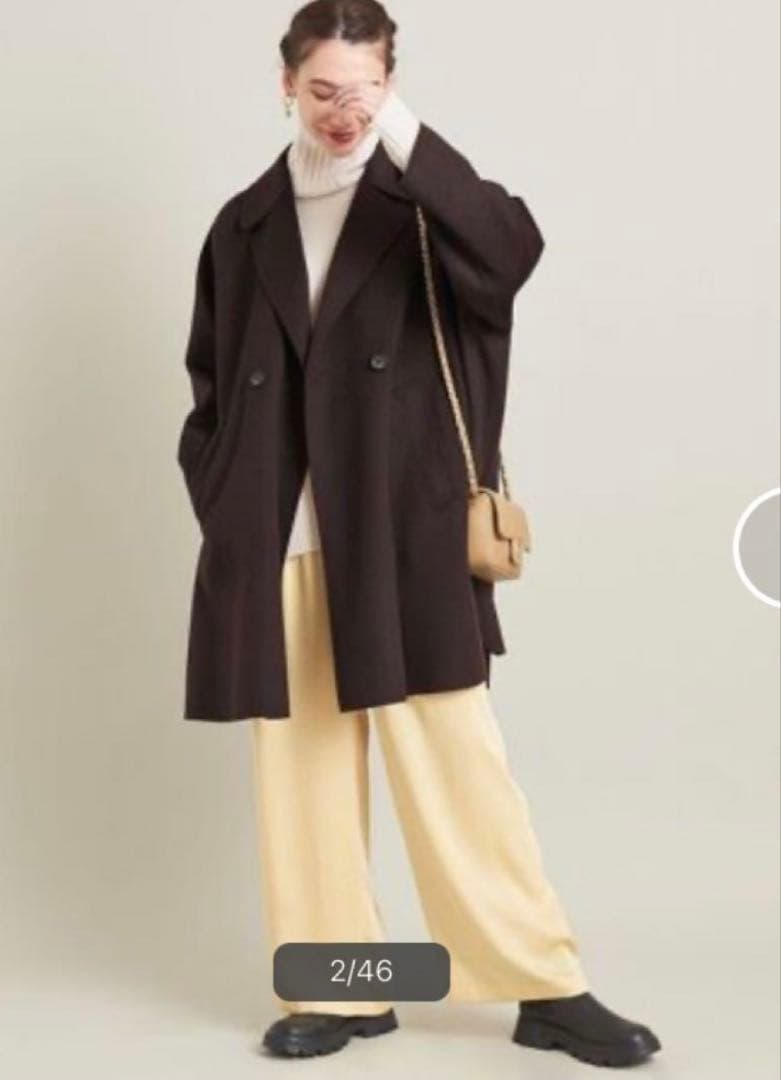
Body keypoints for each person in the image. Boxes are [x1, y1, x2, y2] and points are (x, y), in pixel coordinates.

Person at [177, 0, 662, 1067]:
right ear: (285, 85)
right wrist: (223, 492)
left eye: (365, 89)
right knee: (300, 775)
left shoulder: (431, 207)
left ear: (393, 85)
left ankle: (542, 986)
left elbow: (511, 255)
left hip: (405, 526)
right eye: (322, 90)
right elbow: (209, 378)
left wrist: (399, 135)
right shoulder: (244, 223)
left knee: (455, 764)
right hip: (280, 533)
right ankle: (344, 989)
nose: (343, 111)